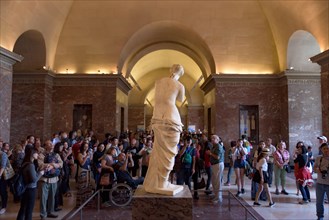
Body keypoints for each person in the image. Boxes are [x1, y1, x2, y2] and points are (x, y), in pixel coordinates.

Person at [143, 64, 185, 195]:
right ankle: (161, 182)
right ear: (181, 73)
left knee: (159, 151)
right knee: (169, 152)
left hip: (158, 117)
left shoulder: (158, 82)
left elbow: (159, 100)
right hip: (171, 118)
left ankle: (159, 182)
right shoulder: (180, 86)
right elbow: (180, 99)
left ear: (170, 70)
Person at [17, 147, 44, 220]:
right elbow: (34, 180)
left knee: (23, 208)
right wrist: (41, 173)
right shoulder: (30, 165)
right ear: (32, 154)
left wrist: (38, 171)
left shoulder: (25, 163)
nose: (37, 154)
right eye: (36, 153)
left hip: (25, 188)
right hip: (31, 189)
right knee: (29, 210)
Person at [38, 140, 63, 219]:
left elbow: (61, 163)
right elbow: (40, 165)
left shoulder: (56, 155)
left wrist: (54, 165)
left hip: (54, 179)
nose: (51, 144)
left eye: (52, 143)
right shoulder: (41, 155)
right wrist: (52, 164)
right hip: (44, 179)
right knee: (43, 198)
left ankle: (50, 212)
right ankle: (43, 214)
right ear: (45, 146)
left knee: (52, 197)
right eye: (49, 144)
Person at [206, 135, 225, 204]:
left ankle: (218, 198)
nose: (212, 140)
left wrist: (210, 153)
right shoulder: (214, 146)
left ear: (218, 140)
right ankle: (216, 195)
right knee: (214, 181)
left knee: (217, 182)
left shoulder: (218, 146)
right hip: (214, 165)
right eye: (211, 139)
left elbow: (217, 157)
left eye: (214, 138)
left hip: (218, 164)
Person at [314, 142, 329, 220]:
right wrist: (317, 170)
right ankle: (320, 216)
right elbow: (314, 168)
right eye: (324, 149)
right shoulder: (318, 158)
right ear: (321, 150)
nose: (326, 150)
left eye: (327, 148)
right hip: (320, 183)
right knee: (319, 202)